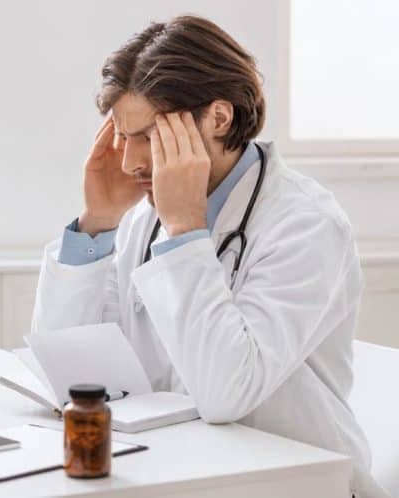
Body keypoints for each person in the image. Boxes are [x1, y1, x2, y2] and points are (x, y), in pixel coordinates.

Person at [31, 15, 388, 498]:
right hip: (183, 472)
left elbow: (226, 393)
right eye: (121, 135)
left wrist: (185, 231)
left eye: (148, 136)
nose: (131, 162)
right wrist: (96, 224)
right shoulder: (142, 217)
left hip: (292, 482)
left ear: (218, 118)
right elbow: (74, 374)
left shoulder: (305, 224)